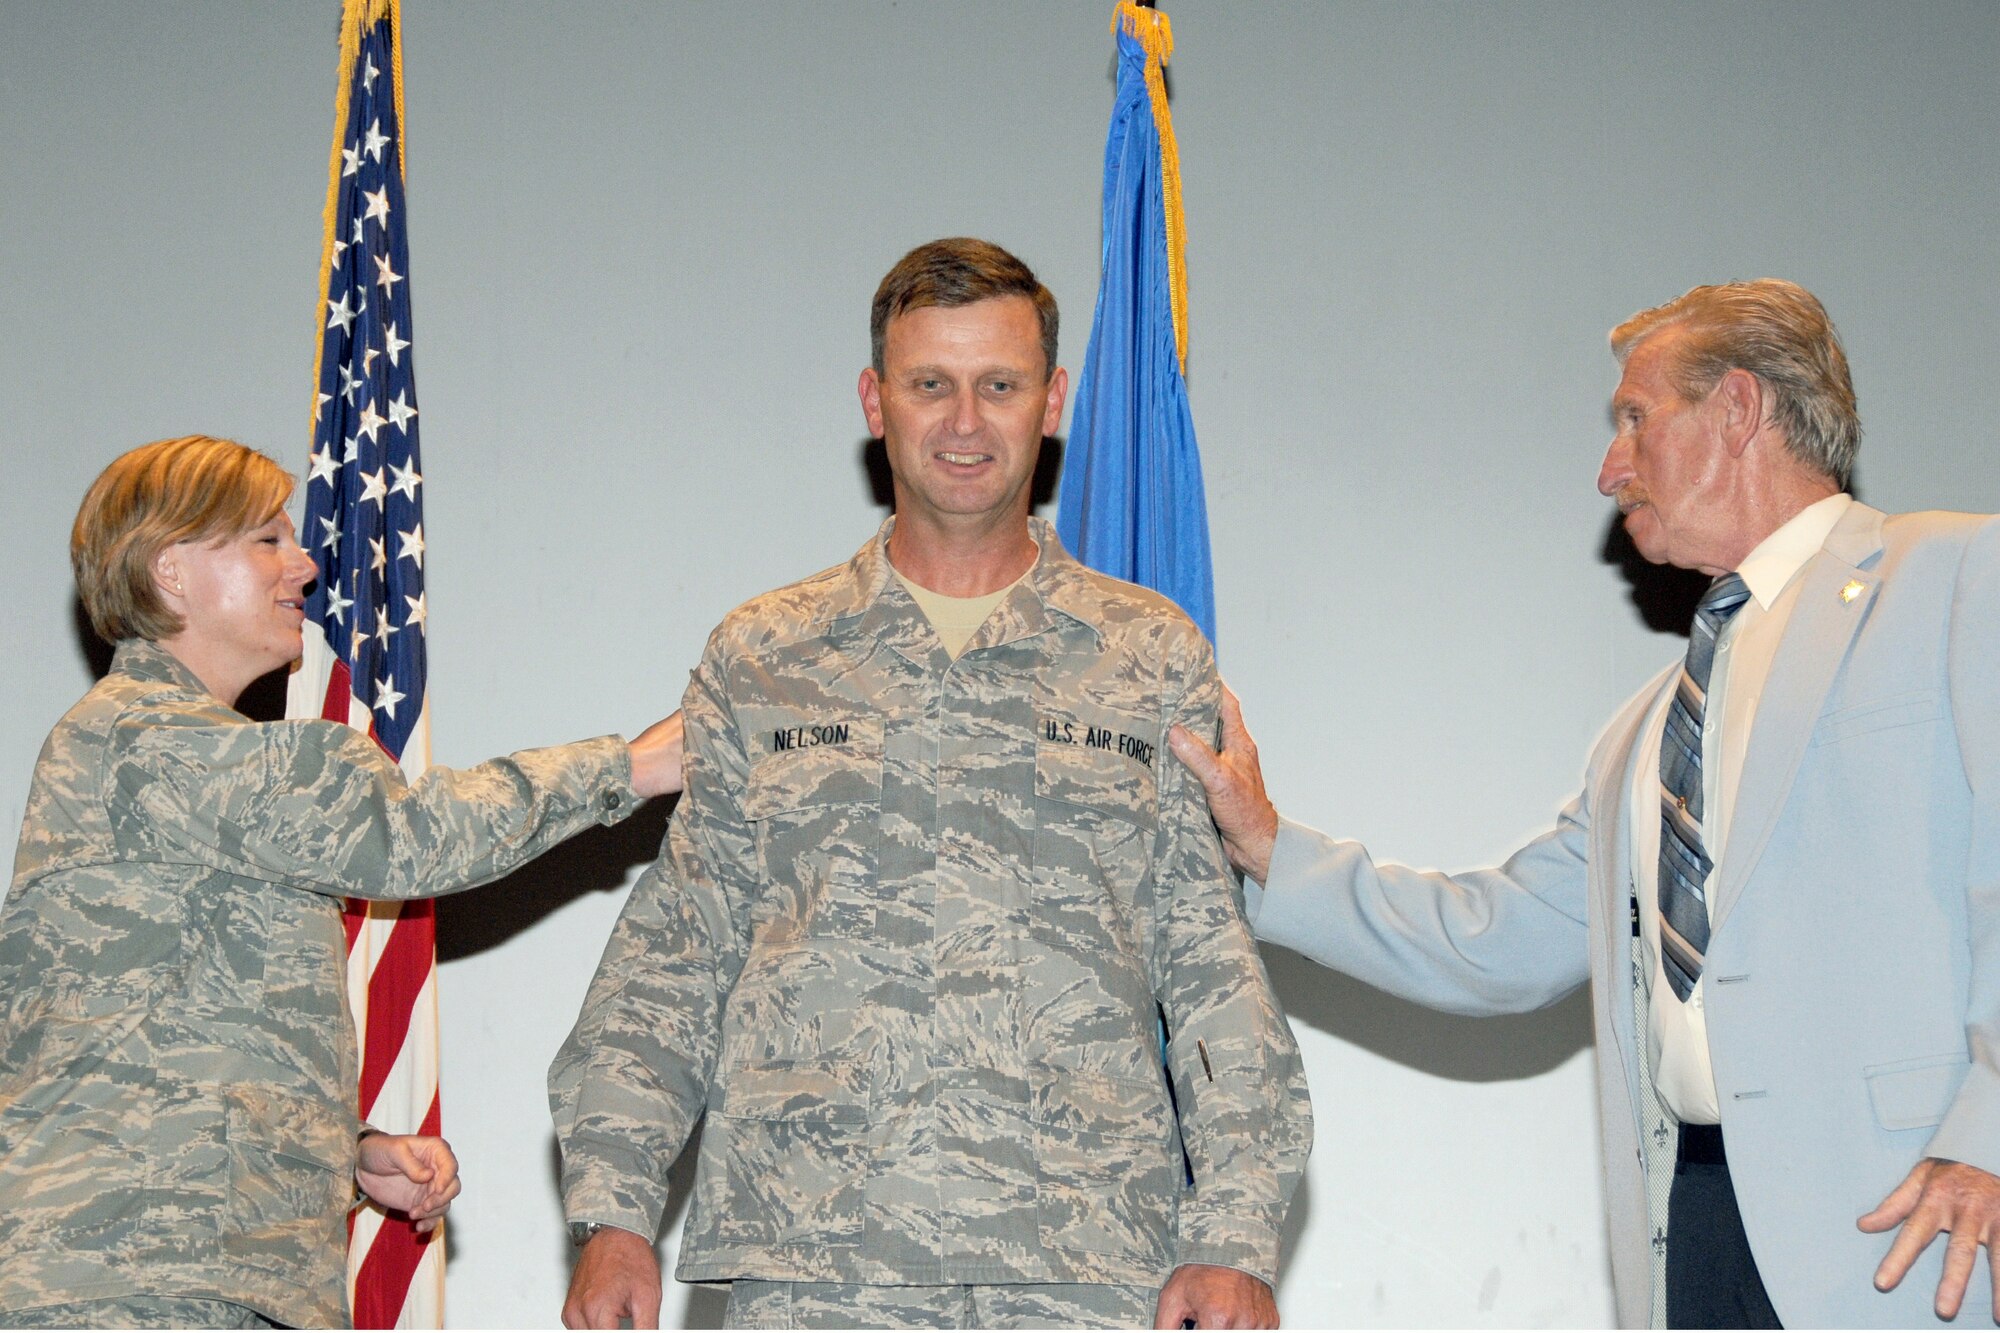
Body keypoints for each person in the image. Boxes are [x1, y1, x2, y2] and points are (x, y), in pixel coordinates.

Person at [1170, 280, 2000, 1328]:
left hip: (1926, 1234)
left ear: (1736, 409)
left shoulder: (1956, 577)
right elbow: (1495, 939)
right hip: (1696, 1227)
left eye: (1633, 418)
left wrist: (1987, 1135)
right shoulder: (1647, 731)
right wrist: (1266, 849)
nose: (1609, 467)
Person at [550, 238, 1311, 1331]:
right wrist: (615, 1213)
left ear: (1051, 403)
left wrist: (1234, 1233)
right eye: (929, 386)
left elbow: (1206, 965)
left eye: (998, 386)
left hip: (1082, 1260)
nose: (964, 422)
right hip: (815, 1258)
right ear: (875, 400)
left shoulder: (1145, 655)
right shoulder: (766, 655)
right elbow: (677, 948)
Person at [0, 435, 685, 1329]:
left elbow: (162, 1027)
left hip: (202, 1277)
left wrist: (343, 1151)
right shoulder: (145, 741)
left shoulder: (171, 767)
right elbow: (408, 833)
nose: (307, 563)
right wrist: (630, 767)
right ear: (171, 569)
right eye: (265, 540)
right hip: (137, 1283)